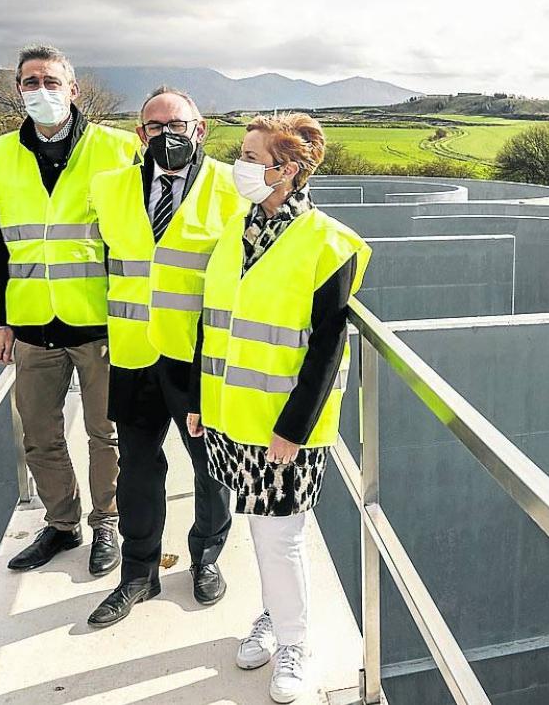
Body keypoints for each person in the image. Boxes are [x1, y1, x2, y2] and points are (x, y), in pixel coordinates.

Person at [186, 113, 370, 703]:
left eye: (248, 155)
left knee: (281, 536)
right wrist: (198, 401)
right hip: (229, 414)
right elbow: (211, 324)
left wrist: (294, 428)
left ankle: (295, 641)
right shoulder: (235, 231)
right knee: (263, 530)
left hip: (286, 426)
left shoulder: (329, 243)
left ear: (286, 169)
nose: (237, 166)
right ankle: (275, 614)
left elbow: (326, 349)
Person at [85, 87, 245, 628]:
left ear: (199, 129)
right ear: (140, 134)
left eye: (177, 124)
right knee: (136, 467)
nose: (166, 134)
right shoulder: (110, 189)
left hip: (198, 359)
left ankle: (205, 557)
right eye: (154, 126)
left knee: (210, 466)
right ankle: (138, 573)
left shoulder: (231, 188)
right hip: (132, 354)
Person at [0, 45, 140, 576]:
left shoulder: (118, 149)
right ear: (18, 90)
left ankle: (108, 522)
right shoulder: (0, 155)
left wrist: (132, 316)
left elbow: (135, 240)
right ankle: (62, 524)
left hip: (99, 319)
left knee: (106, 430)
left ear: (73, 90)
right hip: (30, 321)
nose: (40, 91)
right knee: (39, 432)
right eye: (30, 82)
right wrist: (0, 319)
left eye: (51, 81)